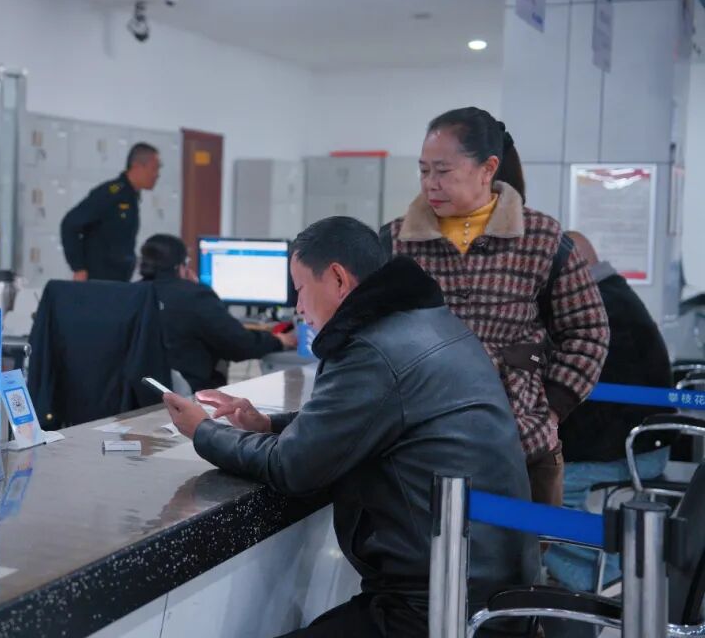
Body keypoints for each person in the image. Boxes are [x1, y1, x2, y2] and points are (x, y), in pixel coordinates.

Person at [164, 217, 538, 638]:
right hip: (489, 592)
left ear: (338, 279)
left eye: (301, 289)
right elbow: (371, 418)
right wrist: (266, 423)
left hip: (440, 608)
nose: (298, 308)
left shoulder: (372, 348)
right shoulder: (428, 322)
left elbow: (294, 466)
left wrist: (202, 430)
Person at [382, 107, 609, 507]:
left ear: (487, 168)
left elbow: (588, 331)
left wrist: (551, 410)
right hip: (419, 447)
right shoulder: (396, 241)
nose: (430, 184)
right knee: (424, 548)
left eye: (443, 171)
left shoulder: (540, 238)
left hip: (522, 446)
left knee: (519, 548)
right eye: (423, 171)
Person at [545, 231, 674, 591]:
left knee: (532, 489)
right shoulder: (614, 295)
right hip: (644, 443)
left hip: (628, 451)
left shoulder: (593, 307)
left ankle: (604, 580)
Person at [138, 234, 296, 391]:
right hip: (188, 394)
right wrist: (278, 341)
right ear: (180, 267)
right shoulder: (194, 296)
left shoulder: (131, 294)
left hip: (140, 393)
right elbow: (239, 344)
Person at [60, 142, 160, 282]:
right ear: (137, 167)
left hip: (117, 280)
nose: (157, 175)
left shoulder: (131, 196)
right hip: (99, 281)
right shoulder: (111, 192)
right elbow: (70, 223)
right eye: (154, 169)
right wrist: (78, 267)